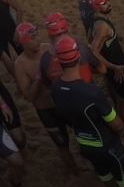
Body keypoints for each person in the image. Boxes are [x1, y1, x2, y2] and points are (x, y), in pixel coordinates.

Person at [50, 34, 124, 187]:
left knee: (109, 184)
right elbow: (116, 124)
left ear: (59, 61)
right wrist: (122, 131)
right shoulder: (91, 92)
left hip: (85, 144)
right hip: (109, 145)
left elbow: (64, 117)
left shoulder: (55, 87)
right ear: (78, 58)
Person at [10, 23, 79, 174]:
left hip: (64, 102)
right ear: (24, 42)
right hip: (46, 110)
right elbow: (28, 96)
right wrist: (40, 76)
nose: (38, 39)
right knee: (62, 144)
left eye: (37, 35)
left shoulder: (48, 49)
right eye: (33, 38)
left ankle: (87, 159)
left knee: (82, 132)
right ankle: (76, 172)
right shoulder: (20, 65)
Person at [87, 0, 124, 142]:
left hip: (112, 68)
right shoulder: (102, 27)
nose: (109, 4)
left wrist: (117, 38)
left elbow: (90, 37)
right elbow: (94, 52)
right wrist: (114, 67)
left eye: (108, 0)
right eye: (105, 3)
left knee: (120, 100)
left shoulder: (95, 17)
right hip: (118, 70)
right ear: (97, 6)